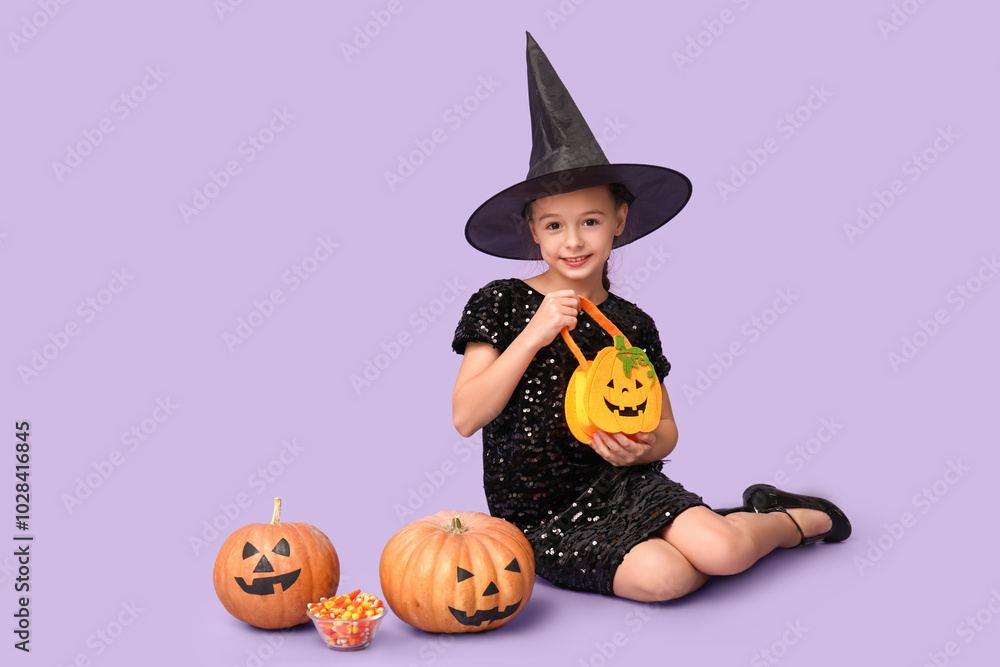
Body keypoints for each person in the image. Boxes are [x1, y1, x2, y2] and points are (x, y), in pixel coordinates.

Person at [450, 34, 850, 602]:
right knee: (668, 578)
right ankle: (720, 523)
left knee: (725, 552)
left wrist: (646, 450)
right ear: (533, 231)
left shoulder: (631, 324)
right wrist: (534, 334)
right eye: (555, 225)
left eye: (590, 221)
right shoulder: (501, 302)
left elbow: (666, 430)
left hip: (625, 484)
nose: (573, 241)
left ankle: (790, 519)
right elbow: (466, 417)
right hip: (539, 515)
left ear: (620, 220)